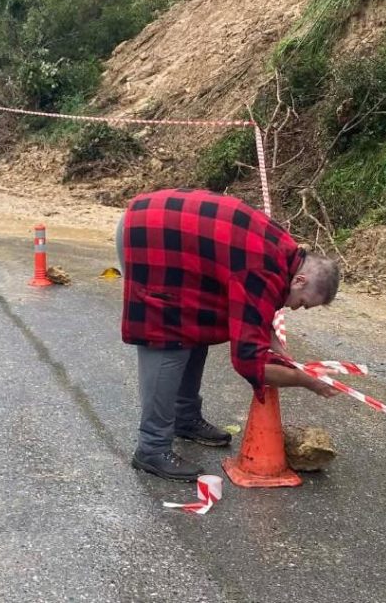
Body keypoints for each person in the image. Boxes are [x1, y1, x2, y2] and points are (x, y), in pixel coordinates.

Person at [117, 188, 341, 482]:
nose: (296, 309)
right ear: (300, 280)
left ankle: (184, 418)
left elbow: (257, 314)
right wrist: (306, 380)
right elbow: (249, 360)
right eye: (302, 303)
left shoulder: (288, 256)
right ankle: (151, 448)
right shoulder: (264, 270)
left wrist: (283, 356)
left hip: (172, 232)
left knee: (197, 325)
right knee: (168, 335)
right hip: (150, 234)